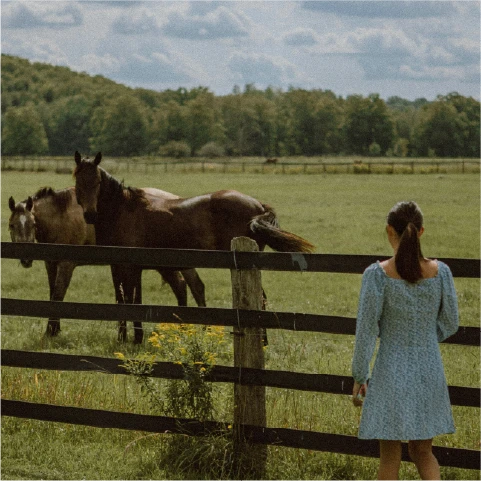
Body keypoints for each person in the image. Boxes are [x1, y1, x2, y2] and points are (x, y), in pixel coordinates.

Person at [351, 201, 459, 480]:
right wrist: (424, 338)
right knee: (424, 453)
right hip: (429, 371)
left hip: (390, 373)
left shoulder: (377, 275)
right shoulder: (441, 272)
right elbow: (450, 322)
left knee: (389, 458)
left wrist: (360, 374)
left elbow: (365, 330)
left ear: (389, 230)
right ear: (421, 231)